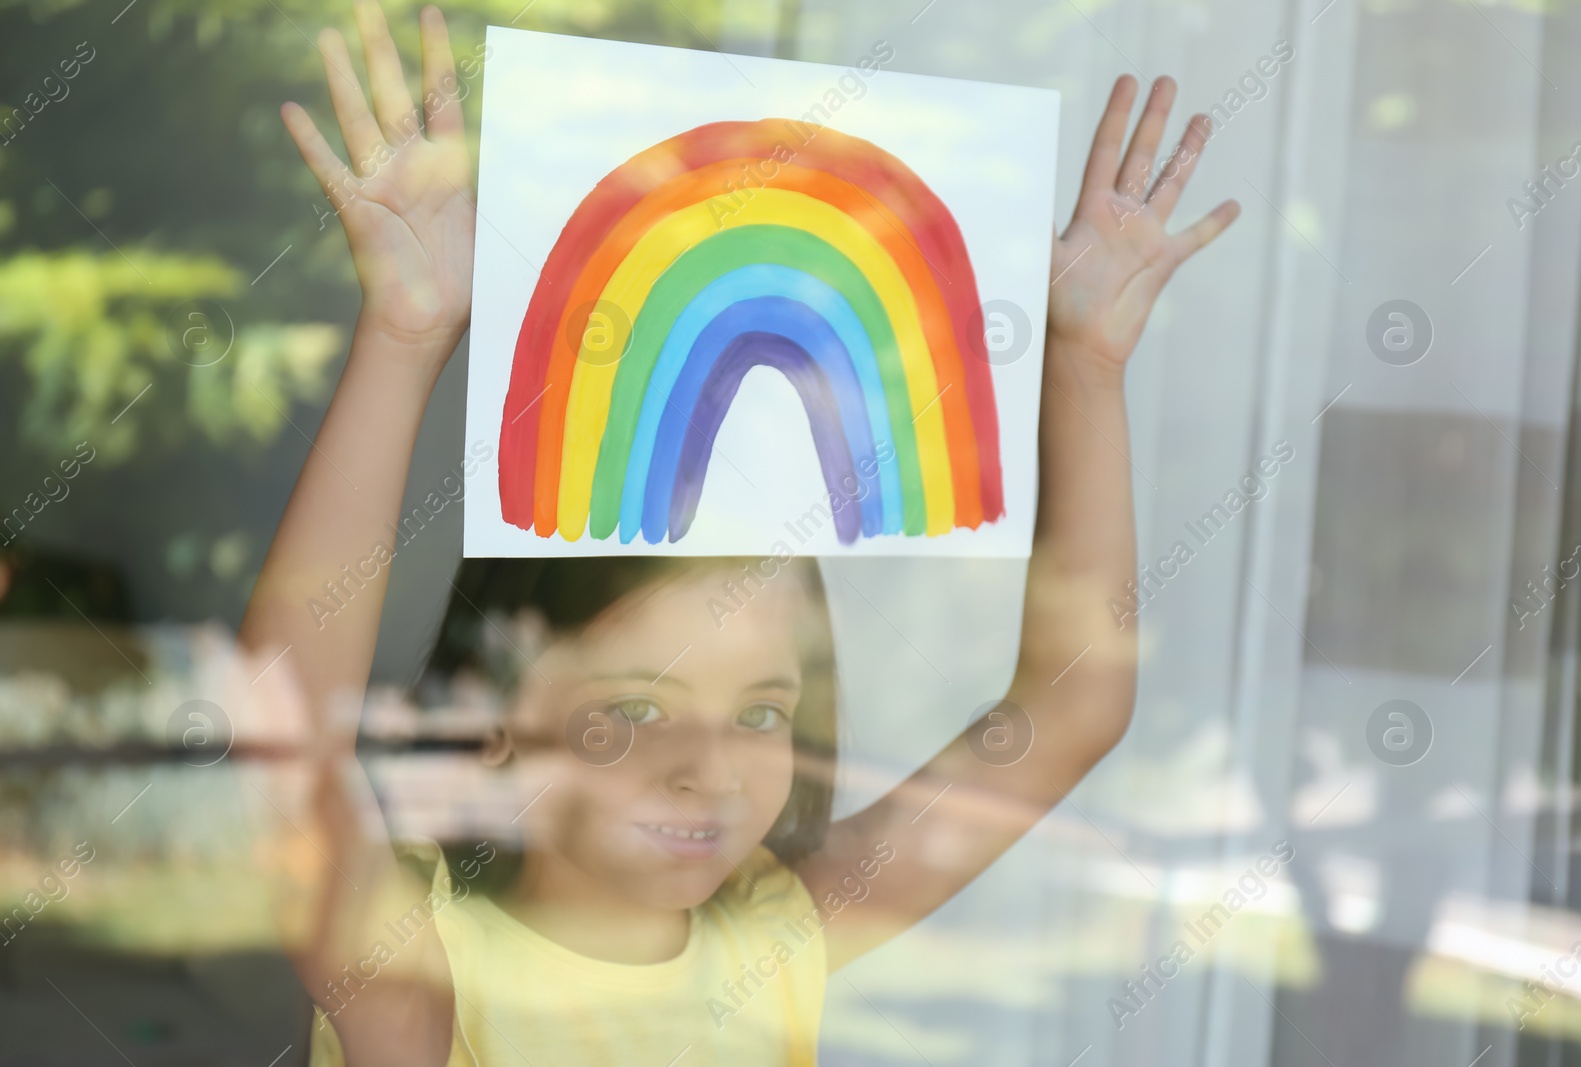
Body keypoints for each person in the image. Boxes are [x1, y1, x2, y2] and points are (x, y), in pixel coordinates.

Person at [239, 2, 1240, 1063]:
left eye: (762, 713)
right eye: (635, 706)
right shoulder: (424, 980)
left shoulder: (776, 935)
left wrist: (1083, 368)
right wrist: (404, 338)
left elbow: (1074, 700)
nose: (707, 770)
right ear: (489, 721)